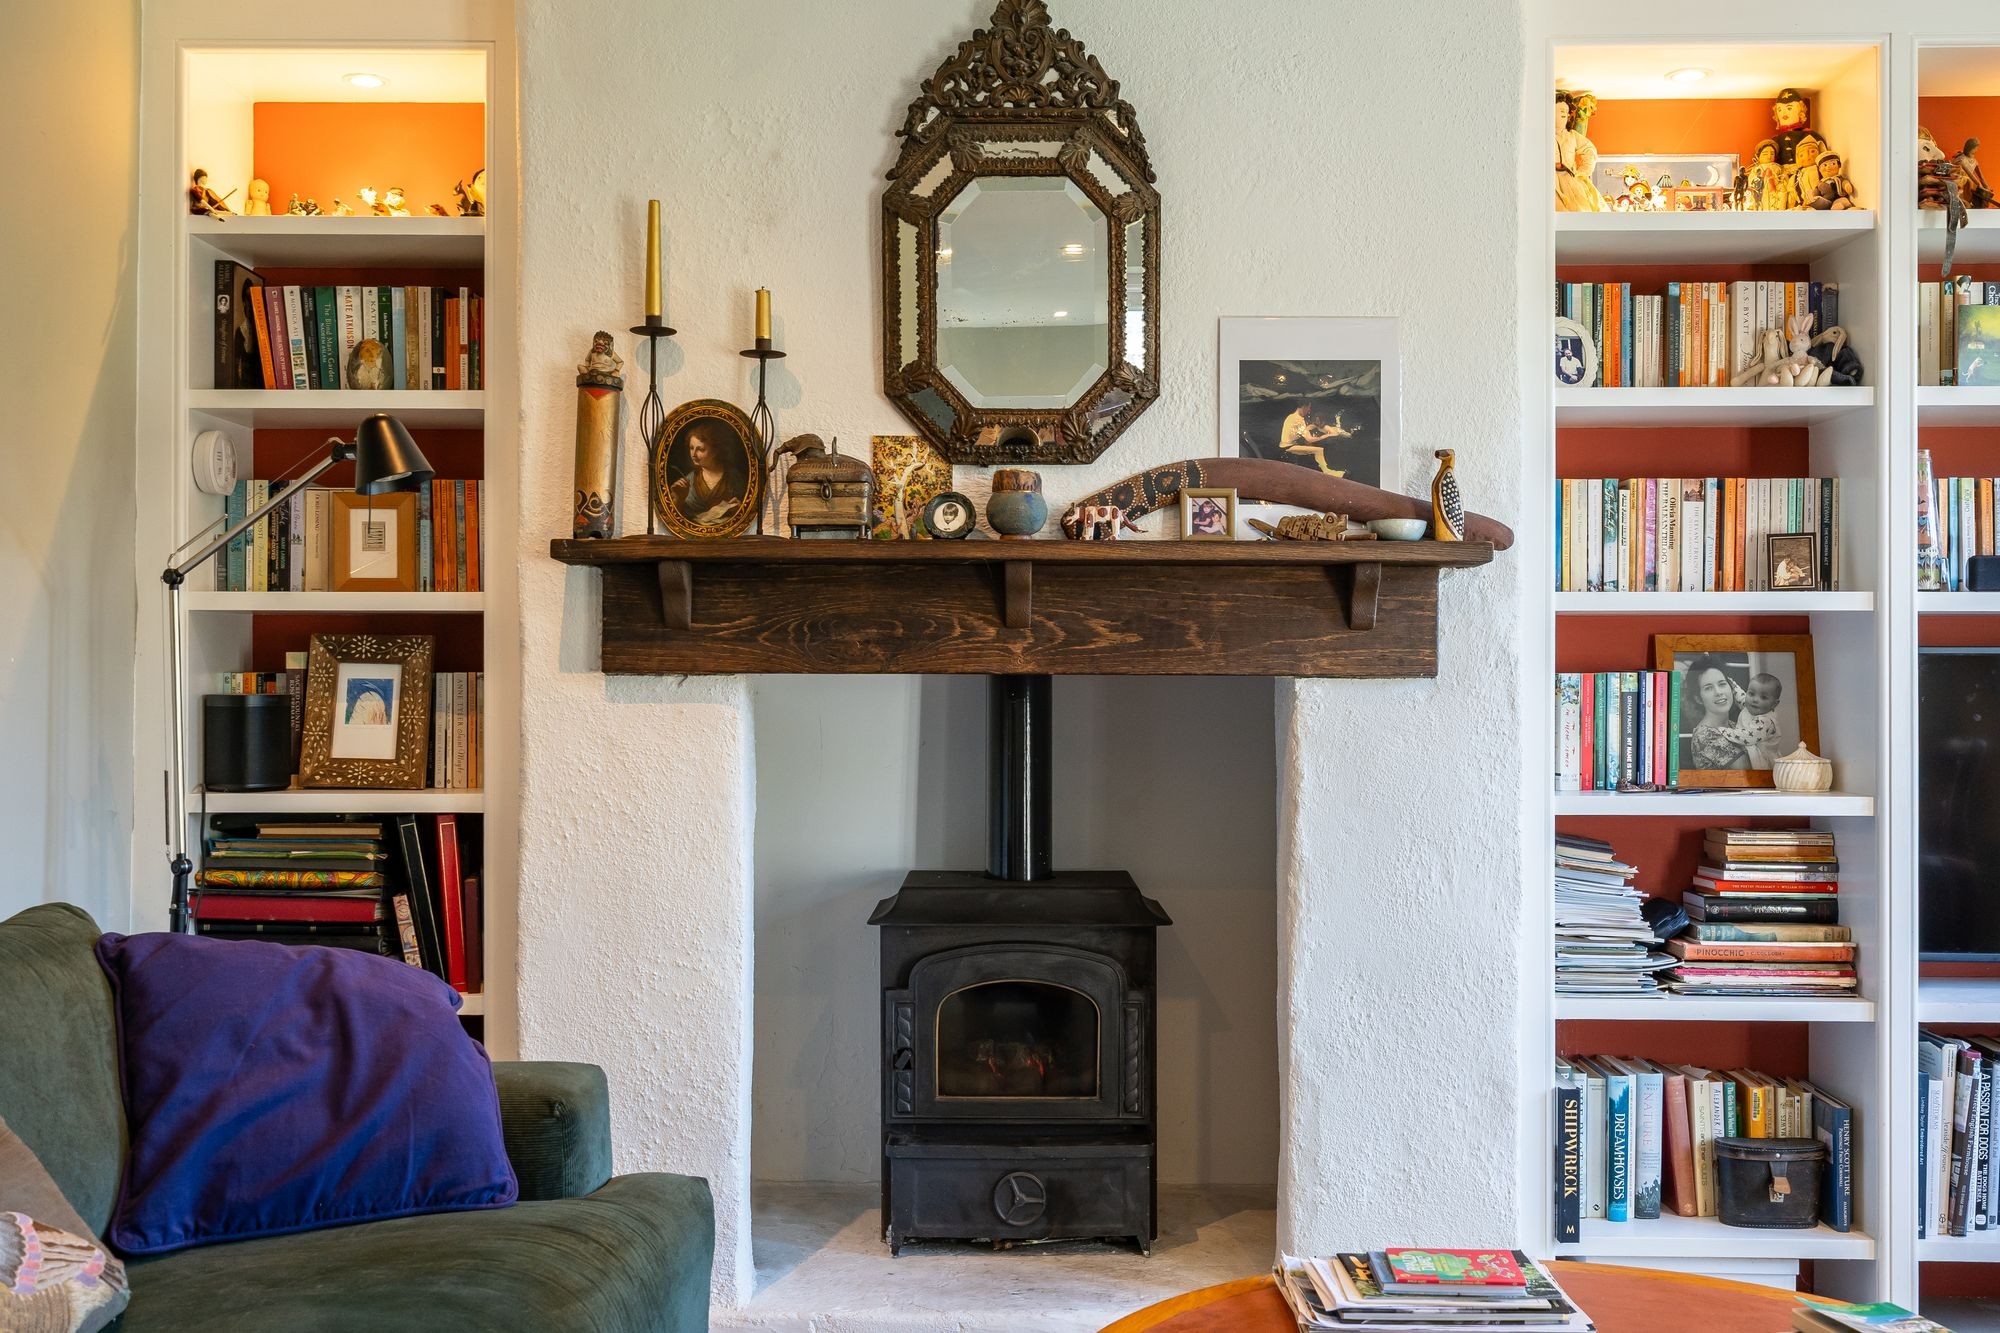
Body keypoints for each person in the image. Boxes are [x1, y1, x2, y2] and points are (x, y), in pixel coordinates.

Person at [1682, 656, 1751, 770]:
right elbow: (1749, 771)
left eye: (1722, 684)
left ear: (1732, 688)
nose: (1718, 692)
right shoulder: (1705, 736)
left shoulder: (1733, 726)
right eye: (1708, 688)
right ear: (1698, 699)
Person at [670, 424, 746, 524]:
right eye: (691, 448)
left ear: (715, 451)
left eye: (700, 449)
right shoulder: (689, 479)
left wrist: (740, 509)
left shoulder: (733, 477)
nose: (693, 454)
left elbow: (747, 510)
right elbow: (676, 518)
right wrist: (679, 499)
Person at [1277, 401, 1353, 475]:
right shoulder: (1298, 419)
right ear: (1304, 407)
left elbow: (1299, 435)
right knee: (1319, 450)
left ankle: (1320, 469)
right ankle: (1327, 472)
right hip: (1288, 447)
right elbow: (1309, 439)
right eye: (1309, 407)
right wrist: (1326, 436)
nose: (1309, 410)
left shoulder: (1291, 416)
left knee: (1310, 446)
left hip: (1286, 444)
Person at [1737, 672, 1787, 769]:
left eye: (1763, 697)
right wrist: (1732, 684)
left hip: (1763, 759)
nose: (1755, 700)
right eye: (1751, 693)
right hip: (1751, 749)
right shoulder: (1752, 707)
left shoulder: (1766, 721)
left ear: (1774, 704)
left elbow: (1746, 737)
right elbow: (1740, 697)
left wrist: (1723, 731)